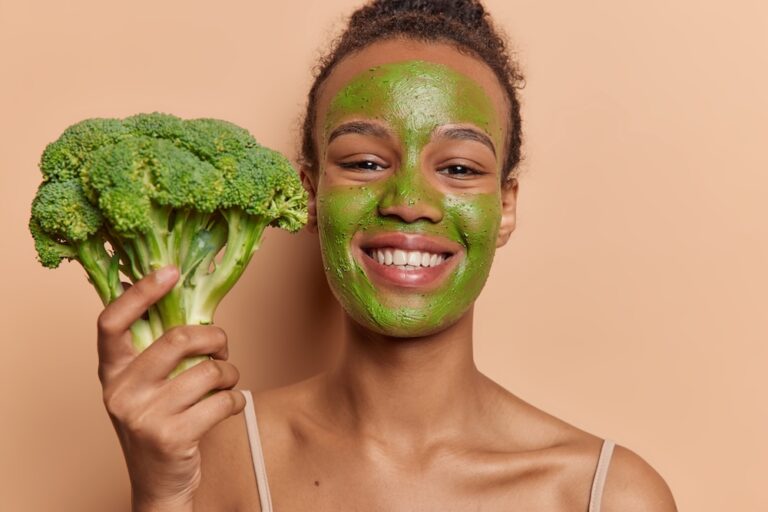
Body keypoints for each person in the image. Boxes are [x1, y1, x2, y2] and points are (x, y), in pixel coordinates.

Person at [95, 1, 678, 511]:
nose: (409, 203)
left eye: (457, 168)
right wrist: (161, 496)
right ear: (309, 196)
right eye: (365, 162)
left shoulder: (607, 495)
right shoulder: (208, 454)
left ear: (504, 208)